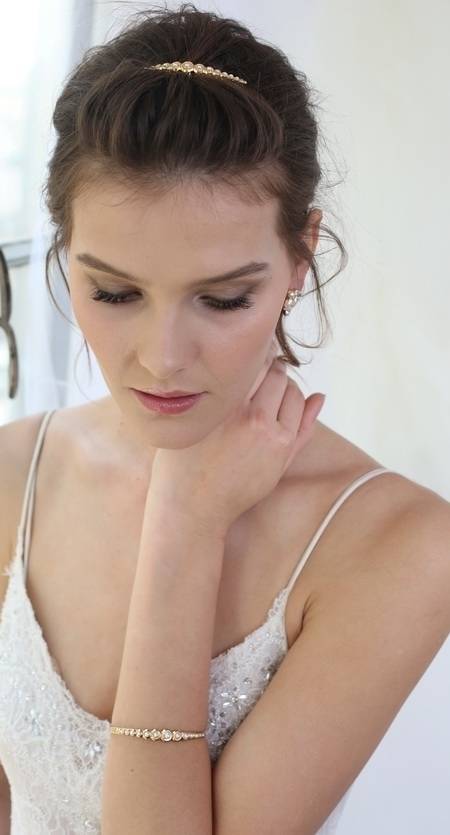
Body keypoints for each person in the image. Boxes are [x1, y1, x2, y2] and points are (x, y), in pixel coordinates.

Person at [0, 4, 449, 833]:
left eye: (223, 298)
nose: (164, 358)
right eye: (115, 292)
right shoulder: (13, 473)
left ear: (300, 256)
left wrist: (184, 524)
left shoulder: (400, 543)